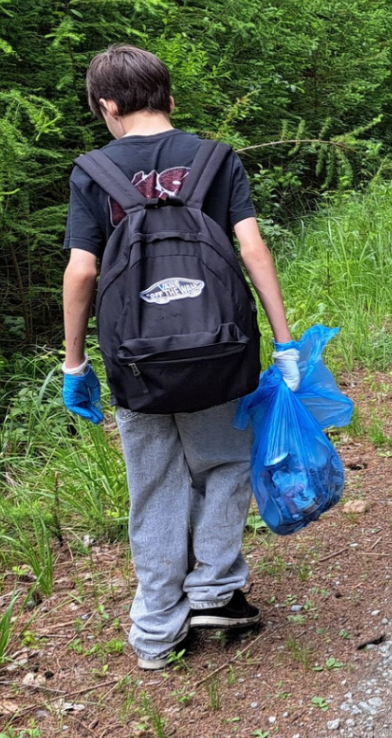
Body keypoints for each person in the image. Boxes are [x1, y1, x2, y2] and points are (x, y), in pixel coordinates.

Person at [61, 44, 300, 670]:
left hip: (136, 360)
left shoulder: (92, 170)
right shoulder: (215, 159)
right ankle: (216, 590)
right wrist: (284, 341)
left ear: (108, 106)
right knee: (223, 463)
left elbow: (82, 271)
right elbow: (252, 248)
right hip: (220, 349)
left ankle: (157, 630)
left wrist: (75, 364)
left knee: (154, 484)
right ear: (170, 97)